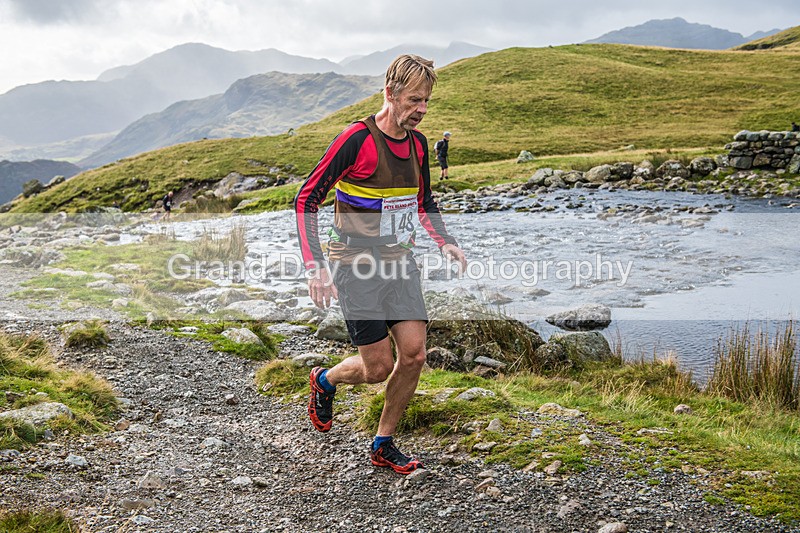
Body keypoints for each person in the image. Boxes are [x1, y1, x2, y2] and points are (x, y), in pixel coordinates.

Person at [294, 54, 466, 475]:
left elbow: (424, 201)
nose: (421, 109)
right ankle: (326, 380)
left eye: (426, 101)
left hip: (399, 263)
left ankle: (383, 443)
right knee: (377, 368)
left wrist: (446, 242)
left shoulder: (420, 143)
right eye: (414, 100)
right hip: (356, 265)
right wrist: (315, 266)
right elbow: (307, 199)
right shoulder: (357, 139)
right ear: (389, 93)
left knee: (414, 356)